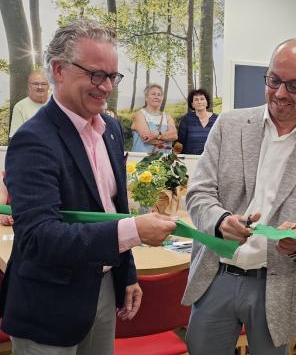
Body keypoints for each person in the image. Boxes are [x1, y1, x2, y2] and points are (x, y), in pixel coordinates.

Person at [0, 19, 177, 354]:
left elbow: (113, 209)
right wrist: (135, 232)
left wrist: (127, 273)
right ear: (59, 70)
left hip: (103, 288)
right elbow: (39, 238)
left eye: (112, 76)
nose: (107, 86)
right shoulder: (32, 140)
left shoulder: (109, 129)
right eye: (96, 74)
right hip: (48, 307)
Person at [181, 38, 296, 354]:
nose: (281, 93)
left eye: (295, 86)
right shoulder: (229, 125)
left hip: (278, 286)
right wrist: (220, 221)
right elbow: (198, 192)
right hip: (216, 274)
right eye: (274, 81)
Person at [131, 83, 177, 154]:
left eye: (159, 95)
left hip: (164, 161)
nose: (156, 97)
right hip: (142, 161)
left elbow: (174, 135)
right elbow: (147, 139)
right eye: (153, 94)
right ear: (146, 97)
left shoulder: (167, 117)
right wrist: (167, 138)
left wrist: (156, 135)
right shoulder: (140, 114)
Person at [9, 70, 50, 138]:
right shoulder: (20, 107)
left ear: (48, 86)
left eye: (43, 84)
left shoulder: (58, 103)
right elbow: (15, 138)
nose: (40, 87)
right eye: (36, 84)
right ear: (29, 86)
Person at [176, 88, 218, 155]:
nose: (199, 102)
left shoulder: (217, 119)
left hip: (211, 160)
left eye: (202, 99)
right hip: (191, 159)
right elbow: (180, 142)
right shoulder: (186, 119)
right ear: (192, 104)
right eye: (196, 99)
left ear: (207, 102)